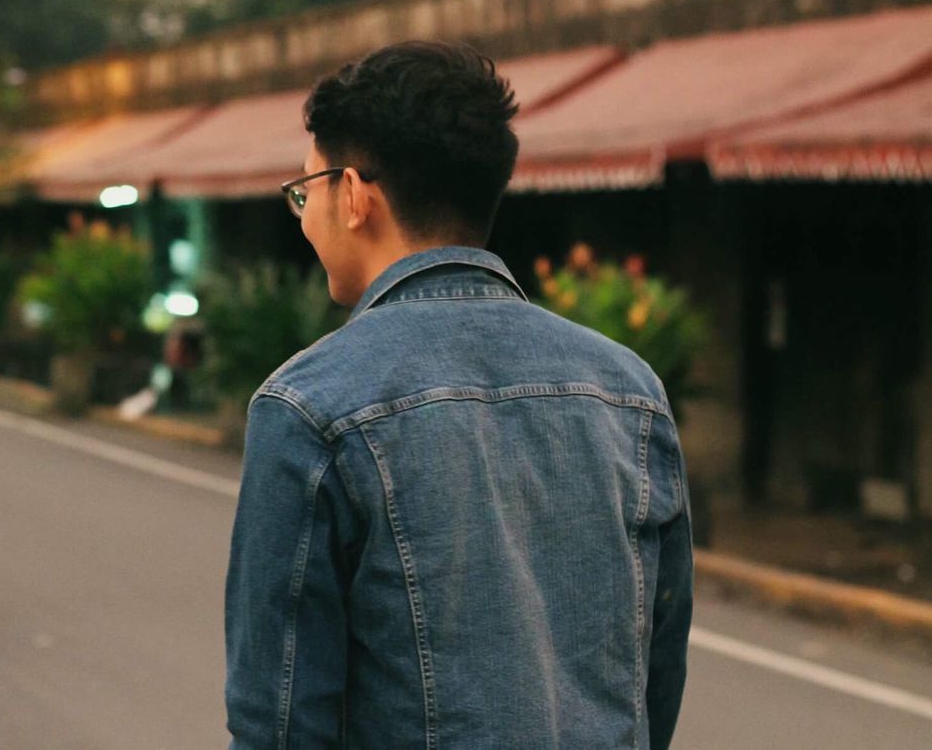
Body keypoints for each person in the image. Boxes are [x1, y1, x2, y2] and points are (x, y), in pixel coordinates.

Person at [225, 42, 693, 748]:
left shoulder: (309, 407)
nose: (302, 214)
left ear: (353, 195)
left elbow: (281, 720)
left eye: (306, 190)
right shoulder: (630, 390)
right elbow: (655, 677)